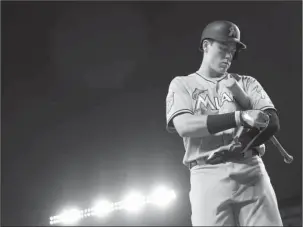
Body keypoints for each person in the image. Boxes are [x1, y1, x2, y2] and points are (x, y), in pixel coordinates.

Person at [165, 20, 283, 226]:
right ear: (206, 46)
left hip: (251, 169)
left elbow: (271, 121)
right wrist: (238, 117)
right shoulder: (182, 84)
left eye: (233, 50)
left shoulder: (246, 82)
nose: (229, 55)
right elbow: (184, 126)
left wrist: (241, 143)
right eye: (223, 48)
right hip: (206, 173)